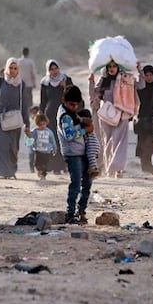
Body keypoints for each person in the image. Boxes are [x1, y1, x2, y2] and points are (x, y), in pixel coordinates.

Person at [0, 58, 32, 179]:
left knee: (13, 147)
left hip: (15, 120)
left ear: (18, 69)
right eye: (10, 68)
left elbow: (24, 105)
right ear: (6, 69)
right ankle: (3, 172)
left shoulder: (21, 85)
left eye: (15, 68)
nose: (13, 71)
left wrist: (27, 123)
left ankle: (11, 171)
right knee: (1, 146)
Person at [89, 60, 141, 178]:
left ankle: (117, 169)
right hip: (106, 115)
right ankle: (109, 169)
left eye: (114, 66)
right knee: (107, 142)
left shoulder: (125, 78)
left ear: (118, 67)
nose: (112, 69)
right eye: (109, 67)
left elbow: (141, 85)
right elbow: (93, 96)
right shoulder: (103, 81)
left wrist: (139, 70)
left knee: (120, 142)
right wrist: (91, 81)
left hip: (122, 114)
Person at [58, 85, 93, 224]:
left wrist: (83, 121)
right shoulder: (65, 116)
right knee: (76, 184)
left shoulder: (72, 113)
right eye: (71, 104)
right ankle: (70, 213)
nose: (74, 107)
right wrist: (86, 131)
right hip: (72, 154)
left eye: (76, 105)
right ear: (64, 101)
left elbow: (77, 118)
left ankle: (81, 211)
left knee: (87, 183)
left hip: (81, 152)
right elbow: (69, 135)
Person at [39, 60, 72, 174]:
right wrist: (41, 116)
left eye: (56, 68)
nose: (54, 71)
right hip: (50, 115)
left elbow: (74, 96)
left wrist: (65, 87)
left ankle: (65, 166)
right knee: (53, 140)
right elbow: (43, 101)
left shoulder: (66, 79)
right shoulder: (45, 82)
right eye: (51, 69)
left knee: (65, 139)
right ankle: (55, 167)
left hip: (64, 114)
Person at [31, 114, 57, 180]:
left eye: (44, 124)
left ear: (46, 123)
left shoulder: (49, 132)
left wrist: (54, 148)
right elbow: (31, 136)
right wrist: (27, 133)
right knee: (37, 163)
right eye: (40, 125)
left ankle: (43, 175)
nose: (42, 126)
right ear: (37, 124)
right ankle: (40, 171)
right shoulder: (35, 131)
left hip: (47, 151)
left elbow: (52, 140)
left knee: (45, 164)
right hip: (38, 151)